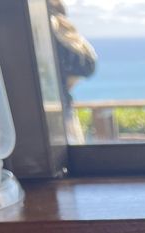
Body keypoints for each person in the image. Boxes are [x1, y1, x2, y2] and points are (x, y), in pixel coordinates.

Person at [48, 0, 97, 143]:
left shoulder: (46, 30)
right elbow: (88, 64)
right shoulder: (56, 29)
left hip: (53, 106)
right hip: (58, 108)